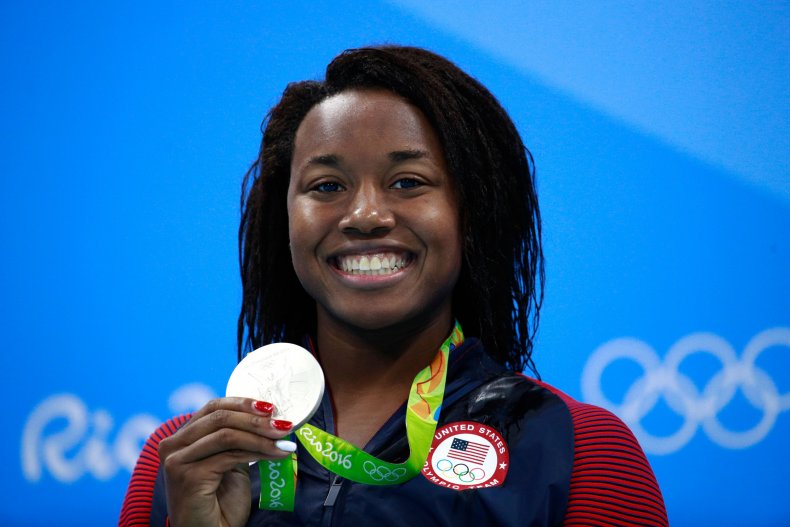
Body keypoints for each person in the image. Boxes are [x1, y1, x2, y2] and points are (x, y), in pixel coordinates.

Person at [120, 45, 668, 526]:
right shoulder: (186, 462)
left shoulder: (580, 449)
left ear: (471, 213)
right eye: (327, 185)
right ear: (282, 222)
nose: (364, 214)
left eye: (408, 182)